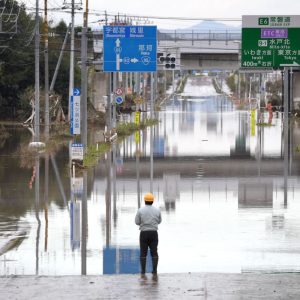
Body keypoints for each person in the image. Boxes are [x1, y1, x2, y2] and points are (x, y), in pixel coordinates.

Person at [135, 193, 162, 277]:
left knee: (143, 252)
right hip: (154, 233)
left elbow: (137, 222)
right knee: (154, 252)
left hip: (143, 233)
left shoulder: (140, 210)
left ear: (145, 200)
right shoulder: (157, 210)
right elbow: (159, 221)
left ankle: (143, 271)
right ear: (152, 201)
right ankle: (154, 271)